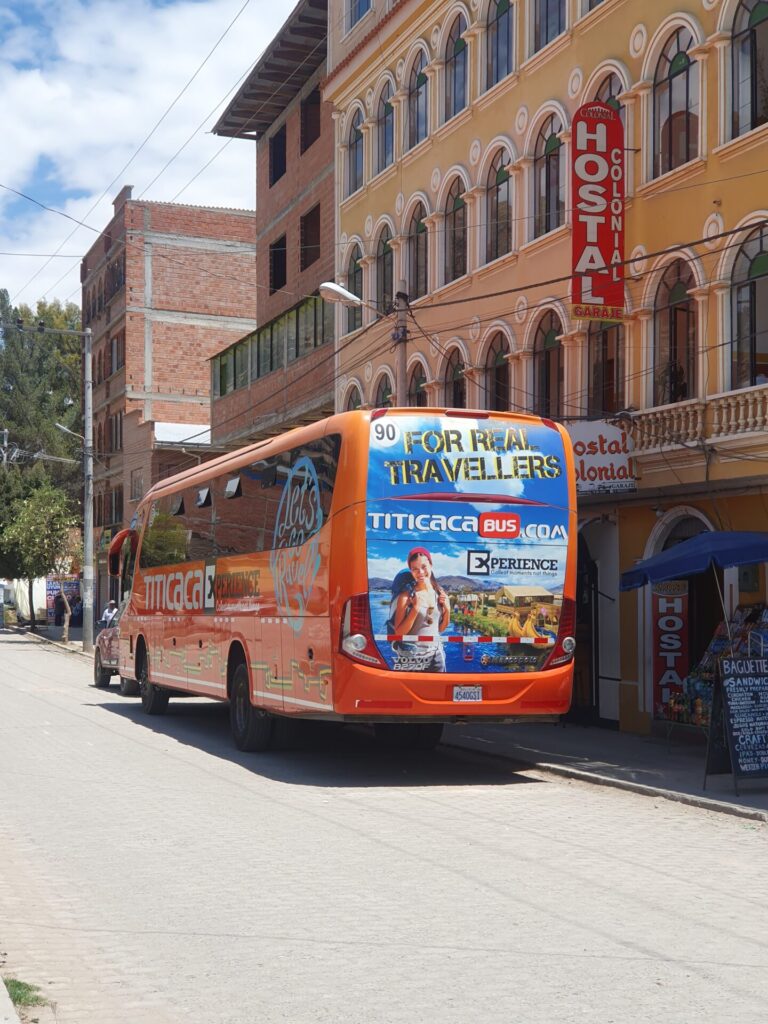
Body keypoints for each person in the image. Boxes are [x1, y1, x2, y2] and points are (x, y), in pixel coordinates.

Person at [389, 547, 450, 672]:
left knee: (438, 691)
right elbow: (399, 633)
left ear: (431, 565)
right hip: (412, 658)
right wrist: (415, 608)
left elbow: (440, 629)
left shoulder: (439, 593)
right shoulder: (406, 596)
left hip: (436, 656)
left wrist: (447, 609)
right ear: (411, 571)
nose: (421, 572)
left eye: (424, 567)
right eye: (415, 569)